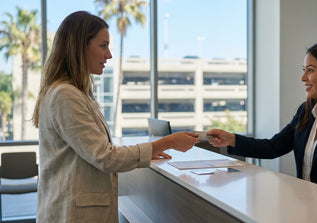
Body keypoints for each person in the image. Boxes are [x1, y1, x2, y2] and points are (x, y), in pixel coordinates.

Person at [32, 11, 199, 223]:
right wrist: (168, 142)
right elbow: (105, 157)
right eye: (103, 46)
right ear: (79, 46)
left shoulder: (75, 93)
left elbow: (94, 151)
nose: (109, 55)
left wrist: (149, 152)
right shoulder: (65, 95)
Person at [207, 41, 317, 200]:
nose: (303, 78)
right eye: (303, 69)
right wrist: (232, 139)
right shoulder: (305, 112)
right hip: (310, 212)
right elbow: (273, 147)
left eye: (310, 70)